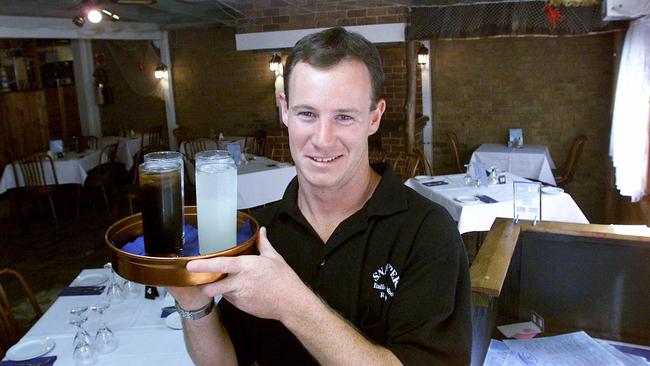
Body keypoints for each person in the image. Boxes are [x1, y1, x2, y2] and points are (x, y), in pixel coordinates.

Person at [170, 27, 472, 365]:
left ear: (374, 117)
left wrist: (291, 304)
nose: (323, 140)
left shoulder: (428, 233)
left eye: (344, 116)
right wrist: (193, 304)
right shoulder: (258, 230)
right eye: (307, 114)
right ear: (284, 109)